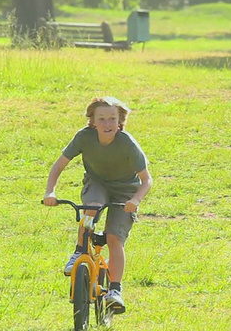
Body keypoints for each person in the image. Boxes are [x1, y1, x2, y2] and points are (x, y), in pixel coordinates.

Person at [43, 96, 153, 313]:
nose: (107, 124)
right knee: (91, 208)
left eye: (112, 119)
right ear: (92, 121)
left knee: (114, 238)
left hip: (125, 190)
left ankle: (115, 290)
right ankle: (79, 251)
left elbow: (147, 179)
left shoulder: (127, 143)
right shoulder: (84, 137)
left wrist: (135, 200)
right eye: (101, 119)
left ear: (120, 121)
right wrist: (50, 191)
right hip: (97, 182)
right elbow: (58, 165)